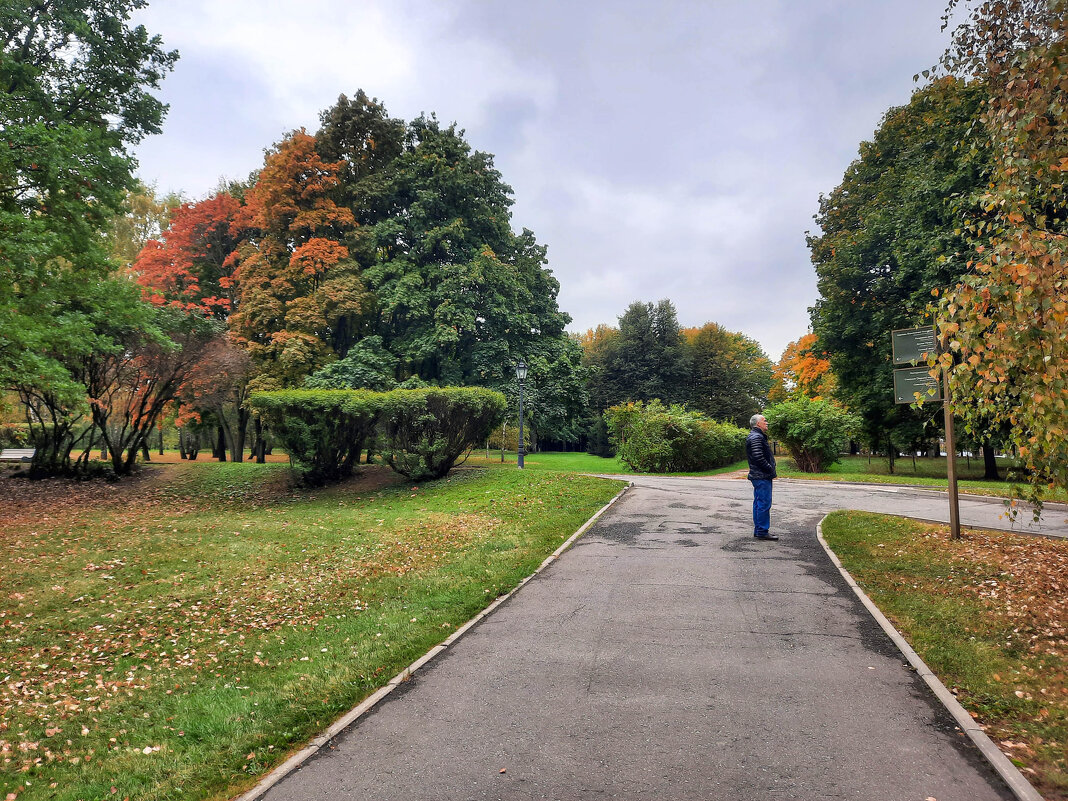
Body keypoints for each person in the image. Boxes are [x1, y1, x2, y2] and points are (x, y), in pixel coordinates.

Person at [746, 413, 777, 540]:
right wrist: (769, 468)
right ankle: (762, 531)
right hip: (761, 476)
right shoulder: (756, 437)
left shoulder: (756, 436)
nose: (767, 423)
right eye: (764, 421)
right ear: (758, 423)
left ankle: (759, 529)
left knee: (759, 503)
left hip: (759, 475)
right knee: (764, 503)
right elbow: (758, 457)